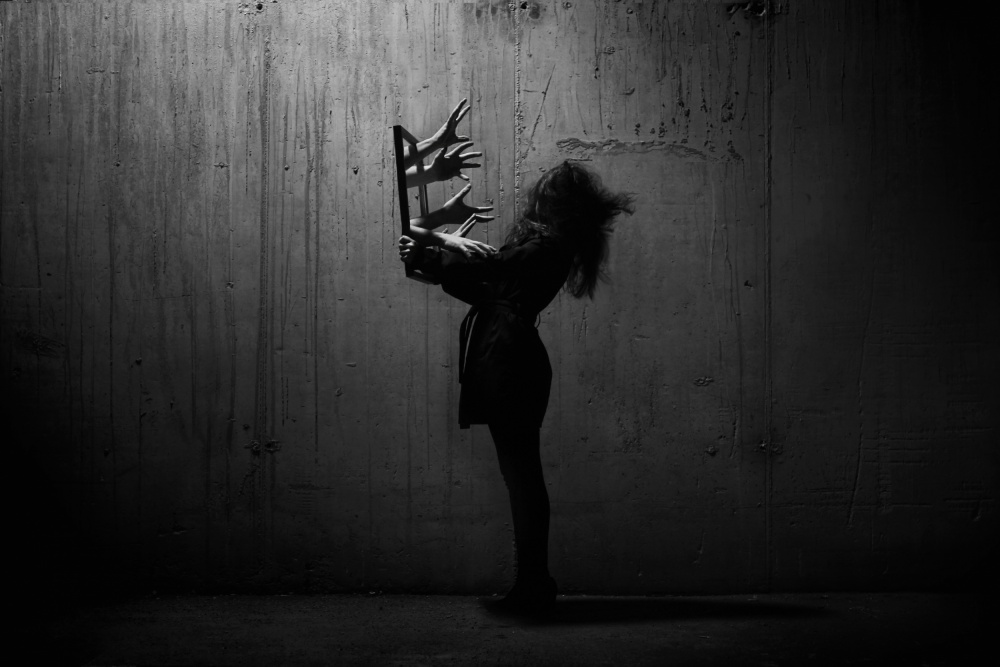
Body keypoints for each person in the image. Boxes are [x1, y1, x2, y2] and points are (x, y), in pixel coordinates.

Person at [399, 160, 635, 615]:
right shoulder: (547, 247)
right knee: (520, 476)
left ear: (553, 204)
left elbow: (492, 266)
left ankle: (535, 583)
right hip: (508, 358)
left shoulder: (547, 245)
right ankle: (533, 582)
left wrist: (439, 243)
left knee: (523, 477)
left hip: (511, 362)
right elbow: (487, 289)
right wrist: (426, 256)